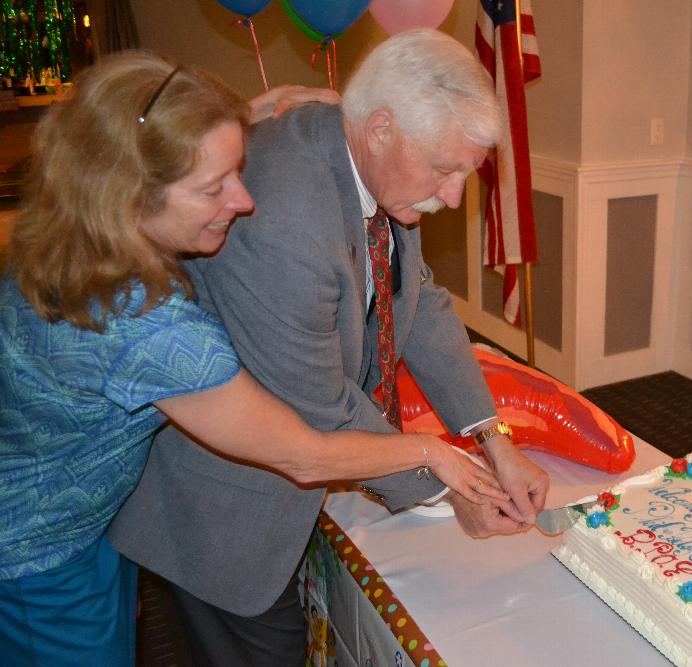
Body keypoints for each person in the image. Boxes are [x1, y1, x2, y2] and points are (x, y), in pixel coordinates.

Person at [0, 50, 508, 666]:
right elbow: (304, 450)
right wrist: (437, 455)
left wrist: (249, 112)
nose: (244, 200)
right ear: (133, 195)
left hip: (89, 512)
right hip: (31, 550)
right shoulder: (148, 330)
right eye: (215, 185)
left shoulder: (82, 229)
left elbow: (416, 298)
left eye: (240, 164)